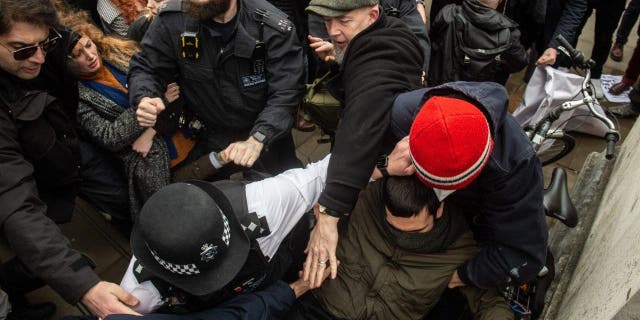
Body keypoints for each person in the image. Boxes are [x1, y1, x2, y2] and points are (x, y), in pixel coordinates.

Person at [0, 0, 140, 317]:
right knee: (35, 246)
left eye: (44, 44)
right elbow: (15, 199)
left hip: (71, 145)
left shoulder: (52, 38)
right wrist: (84, 287)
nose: (38, 58)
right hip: (33, 175)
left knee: (119, 197)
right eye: (22, 50)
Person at [302, 0, 424, 287]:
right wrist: (343, 56)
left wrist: (329, 213)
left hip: (388, 166)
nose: (332, 30)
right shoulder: (387, 32)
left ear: (372, 15)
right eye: (327, 20)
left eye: (343, 20)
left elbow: (361, 121)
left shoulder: (381, 55)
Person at [389, 81, 548, 291]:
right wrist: (384, 166)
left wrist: (457, 277)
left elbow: (523, 255)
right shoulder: (401, 113)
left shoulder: (515, 166)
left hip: (480, 228)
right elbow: (355, 158)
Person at [287, 174, 512, 319]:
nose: (402, 236)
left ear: (439, 210)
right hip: (320, 308)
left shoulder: (460, 249)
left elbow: (489, 301)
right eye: (391, 225)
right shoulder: (365, 196)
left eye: (415, 230)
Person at [130, 0, 305, 178]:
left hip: (267, 141)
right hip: (211, 138)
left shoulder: (270, 26)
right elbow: (146, 67)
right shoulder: (173, 21)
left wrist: (259, 138)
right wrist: (145, 96)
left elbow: (286, 91)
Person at [59, 9, 173, 217]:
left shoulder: (119, 52)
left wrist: (151, 128)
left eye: (88, 45)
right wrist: (150, 104)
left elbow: (171, 82)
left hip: (179, 129)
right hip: (150, 159)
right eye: (78, 56)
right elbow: (109, 136)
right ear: (66, 64)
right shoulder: (78, 97)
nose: (90, 56)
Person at [428, 0, 529, 85]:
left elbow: (432, 39)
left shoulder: (448, 13)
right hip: (478, 96)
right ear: (500, 1)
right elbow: (520, 62)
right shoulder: (509, 34)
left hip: (442, 85)